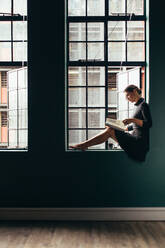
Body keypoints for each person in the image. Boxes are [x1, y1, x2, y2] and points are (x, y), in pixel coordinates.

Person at [70, 85, 152, 162]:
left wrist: (132, 120)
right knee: (110, 128)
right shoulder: (137, 106)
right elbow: (136, 125)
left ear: (134, 91)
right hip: (134, 139)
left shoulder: (144, 105)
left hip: (139, 143)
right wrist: (125, 127)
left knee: (110, 130)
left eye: (128, 95)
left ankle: (83, 145)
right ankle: (84, 145)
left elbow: (148, 124)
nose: (127, 98)